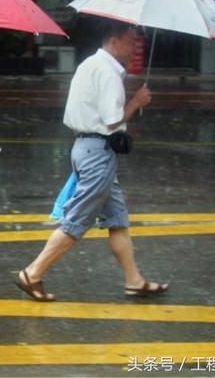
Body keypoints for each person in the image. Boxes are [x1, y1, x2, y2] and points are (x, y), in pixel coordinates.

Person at [15, 19, 168, 302]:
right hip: (97, 153)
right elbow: (111, 121)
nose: (134, 47)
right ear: (114, 41)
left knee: (117, 219)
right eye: (130, 41)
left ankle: (134, 280)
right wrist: (136, 102)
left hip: (88, 149)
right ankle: (32, 273)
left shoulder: (90, 65)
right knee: (78, 219)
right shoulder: (108, 73)